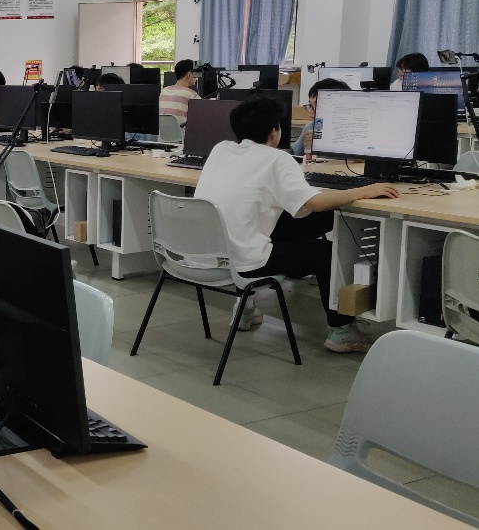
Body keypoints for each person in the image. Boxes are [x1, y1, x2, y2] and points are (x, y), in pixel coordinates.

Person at [193, 96, 399, 353]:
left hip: (208, 255)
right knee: (326, 252)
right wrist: (364, 190)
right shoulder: (277, 160)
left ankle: (245, 311)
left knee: (267, 226)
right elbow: (315, 203)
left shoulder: (221, 149)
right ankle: (341, 332)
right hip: (244, 263)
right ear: (274, 132)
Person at [291, 78, 352, 156]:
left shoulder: (353, 132)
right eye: (310, 105)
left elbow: (357, 160)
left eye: (318, 104)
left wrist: (323, 145)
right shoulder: (311, 127)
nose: (310, 110)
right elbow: (294, 153)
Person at [159, 59, 201, 126]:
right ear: (189, 75)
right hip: (180, 132)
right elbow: (203, 114)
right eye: (196, 75)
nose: (197, 78)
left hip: (162, 132)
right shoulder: (191, 95)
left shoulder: (163, 91)